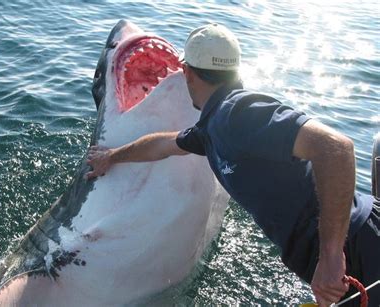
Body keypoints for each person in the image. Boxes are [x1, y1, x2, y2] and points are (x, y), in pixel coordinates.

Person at [85, 24, 380, 306]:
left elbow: (337, 148)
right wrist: (112, 156)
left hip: (358, 245)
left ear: (186, 73)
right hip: (340, 252)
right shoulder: (214, 127)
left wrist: (330, 255)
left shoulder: (236, 113)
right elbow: (164, 145)